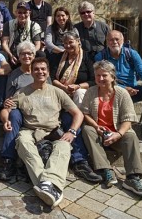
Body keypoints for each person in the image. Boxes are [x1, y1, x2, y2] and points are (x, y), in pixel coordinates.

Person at [0, 57, 84, 208]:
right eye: (37, 69)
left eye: (43, 69)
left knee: (64, 147)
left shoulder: (58, 92)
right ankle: (51, 186)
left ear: (48, 72)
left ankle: (45, 184)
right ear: (31, 72)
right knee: (23, 142)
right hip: (30, 130)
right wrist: (6, 119)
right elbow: (6, 109)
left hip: (53, 131)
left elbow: (78, 113)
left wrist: (71, 131)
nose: (40, 72)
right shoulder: (22, 92)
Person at [81, 60, 142, 197]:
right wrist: (96, 126)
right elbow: (85, 113)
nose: (100, 79)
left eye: (104, 75)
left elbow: (128, 119)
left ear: (112, 77)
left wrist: (118, 134)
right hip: (99, 133)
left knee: (131, 136)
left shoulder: (122, 93)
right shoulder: (90, 92)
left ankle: (132, 177)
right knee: (87, 130)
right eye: (97, 75)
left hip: (118, 134)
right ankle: (106, 169)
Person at [95, 30, 142, 148]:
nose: (114, 42)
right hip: (111, 90)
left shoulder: (132, 54)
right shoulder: (101, 57)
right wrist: (123, 89)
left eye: (117, 39)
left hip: (132, 90)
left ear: (122, 40)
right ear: (106, 42)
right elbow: (101, 79)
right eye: (111, 40)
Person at [49, 32, 102, 183]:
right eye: (65, 43)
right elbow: (52, 77)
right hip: (61, 95)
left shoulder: (86, 58)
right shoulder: (59, 57)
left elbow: (93, 80)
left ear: (78, 41)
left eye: (71, 42)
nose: (68, 46)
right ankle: (80, 162)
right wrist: (63, 87)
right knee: (69, 122)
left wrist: (77, 85)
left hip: (79, 98)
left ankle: (80, 161)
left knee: (78, 95)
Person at [0, 41, 36, 180]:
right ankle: (8, 161)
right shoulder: (14, 75)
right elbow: (8, 103)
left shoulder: (41, 71)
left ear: (34, 55)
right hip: (19, 111)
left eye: (29, 53)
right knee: (13, 115)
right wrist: (5, 120)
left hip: (39, 110)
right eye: (23, 54)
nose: (26, 56)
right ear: (18, 57)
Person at [2, 1, 44, 67]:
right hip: (13, 53)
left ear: (29, 13)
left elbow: (37, 45)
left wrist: (30, 54)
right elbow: (4, 43)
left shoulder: (35, 26)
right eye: (20, 12)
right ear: (16, 13)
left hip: (29, 52)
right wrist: (10, 55)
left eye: (25, 12)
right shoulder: (8, 24)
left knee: (41, 54)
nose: (22, 15)